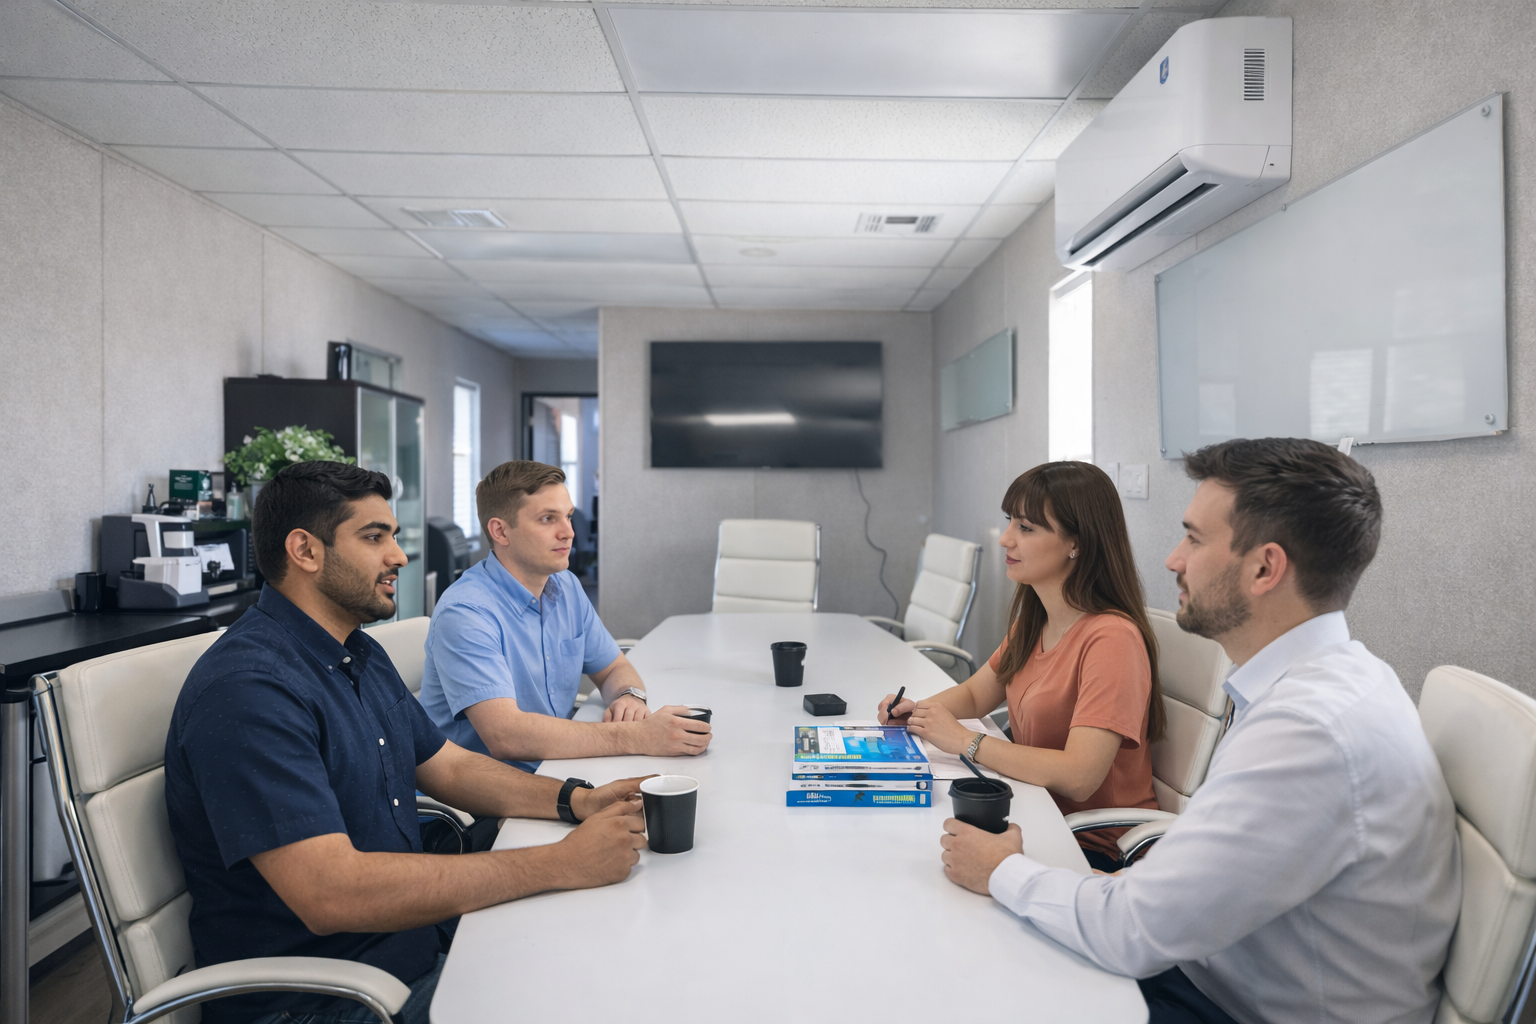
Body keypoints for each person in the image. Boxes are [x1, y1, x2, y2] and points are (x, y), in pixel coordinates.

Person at [939, 438, 1461, 1024]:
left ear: (1265, 567)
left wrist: (1001, 869)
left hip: (1225, 1004)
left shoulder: (1309, 733)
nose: (1172, 559)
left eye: (1193, 538)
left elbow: (1131, 930)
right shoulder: (1324, 685)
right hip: (1208, 968)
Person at [165, 462, 650, 1024]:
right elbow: (331, 892)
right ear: (305, 550)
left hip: (410, 944)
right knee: (597, 996)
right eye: (374, 537)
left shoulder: (355, 651)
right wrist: (558, 864)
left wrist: (578, 799)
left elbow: (447, 766)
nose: (398, 556)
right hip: (327, 999)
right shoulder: (250, 690)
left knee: (610, 955)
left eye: (393, 536)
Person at [877, 461, 1164, 870]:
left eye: (1026, 528)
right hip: (1034, 812)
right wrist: (917, 713)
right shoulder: (1036, 619)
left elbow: (1080, 776)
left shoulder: (1111, 639)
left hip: (1092, 847)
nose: (1006, 539)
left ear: (1076, 543)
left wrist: (964, 741)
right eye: (1010, 521)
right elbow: (977, 693)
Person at [419, 460, 710, 771]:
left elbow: (613, 667)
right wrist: (634, 736)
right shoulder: (466, 612)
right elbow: (506, 736)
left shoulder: (565, 585)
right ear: (500, 531)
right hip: (486, 799)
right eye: (548, 519)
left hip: (558, 766)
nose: (569, 532)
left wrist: (629, 697)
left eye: (568, 516)